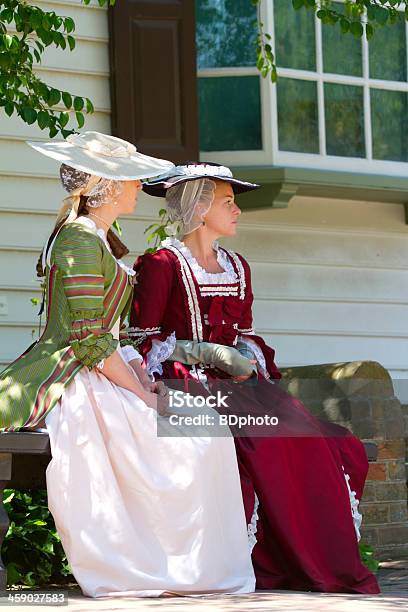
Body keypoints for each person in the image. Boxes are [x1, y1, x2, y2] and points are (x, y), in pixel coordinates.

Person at [0, 137, 255, 597]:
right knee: (165, 438)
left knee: (205, 430)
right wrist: (139, 394)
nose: (139, 186)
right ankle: (149, 565)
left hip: (105, 367)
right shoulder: (77, 239)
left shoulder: (100, 238)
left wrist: (140, 373)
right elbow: (88, 337)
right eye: (132, 178)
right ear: (111, 186)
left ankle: (188, 566)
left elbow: (116, 335)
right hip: (71, 374)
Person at [129, 162, 381, 594]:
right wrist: (206, 351)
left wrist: (242, 353)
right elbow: (142, 341)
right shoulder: (162, 264)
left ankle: (311, 562)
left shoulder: (237, 266)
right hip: (183, 382)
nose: (237, 211)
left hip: (238, 385)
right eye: (228, 202)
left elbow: (244, 332)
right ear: (200, 206)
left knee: (313, 441)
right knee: (258, 445)